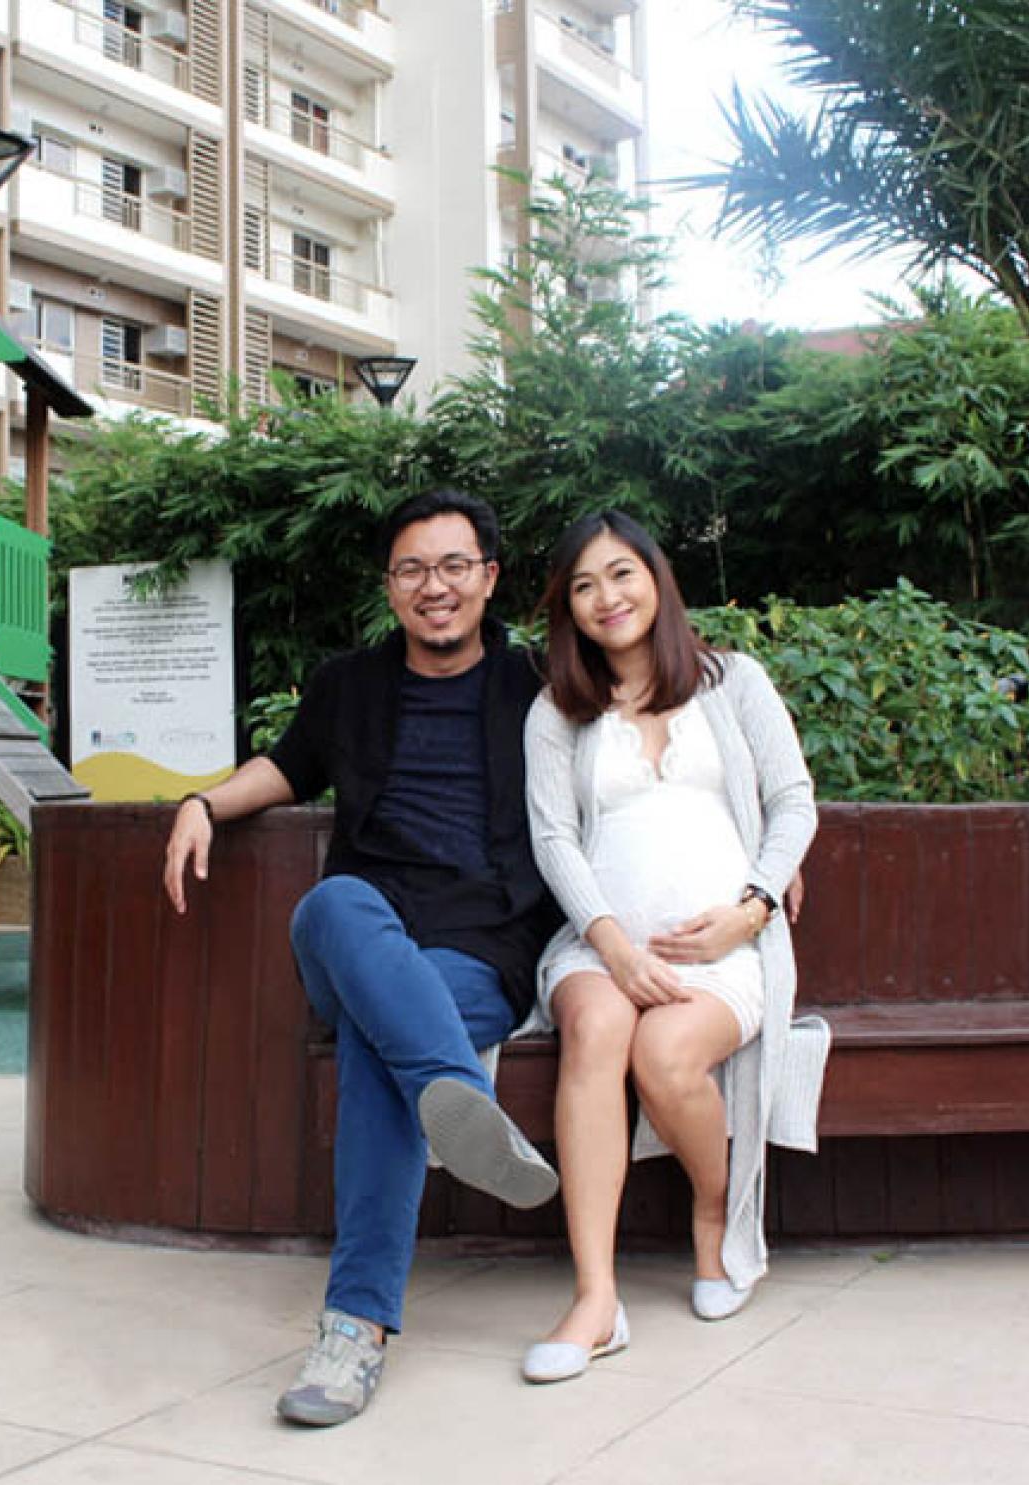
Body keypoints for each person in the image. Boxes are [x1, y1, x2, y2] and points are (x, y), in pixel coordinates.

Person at [162, 489, 564, 1427]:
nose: (435, 586)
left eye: (454, 565)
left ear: (489, 577)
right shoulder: (348, 684)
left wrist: (762, 845)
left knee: (379, 1050)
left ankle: (355, 1328)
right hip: (359, 930)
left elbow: (651, 725)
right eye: (413, 569)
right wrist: (201, 802)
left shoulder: (538, 686)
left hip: (480, 946)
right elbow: (286, 766)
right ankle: (459, 1096)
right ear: (390, 587)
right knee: (335, 900)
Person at [519, 509, 822, 1384]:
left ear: (655, 578)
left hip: (723, 949)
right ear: (568, 609)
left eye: (621, 573)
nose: (606, 597)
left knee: (664, 1055)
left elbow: (793, 801)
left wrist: (751, 909)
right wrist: (613, 945)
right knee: (597, 1028)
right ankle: (596, 1298)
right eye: (583, 586)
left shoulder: (735, 682)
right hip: (597, 945)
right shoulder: (557, 710)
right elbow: (554, 839)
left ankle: (714, 1209)